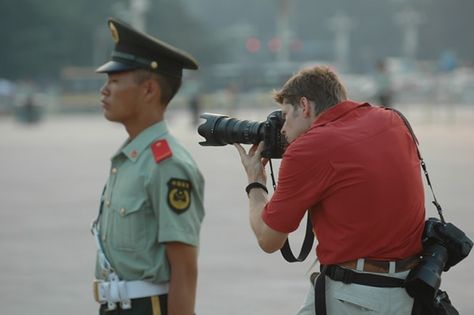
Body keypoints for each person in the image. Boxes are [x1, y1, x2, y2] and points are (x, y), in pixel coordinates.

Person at [234, 66, 425, 315]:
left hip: (355, 297)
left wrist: (255, 182)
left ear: (304, 106)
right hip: (410, 291)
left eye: (285, 115)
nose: (282, 129)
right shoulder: (392, 120)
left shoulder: (310, 148)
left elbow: (269, 239)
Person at [91, 18, 205, 315]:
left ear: (149, 90)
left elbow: (184, 268)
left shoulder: (167, 165)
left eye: (115, 81)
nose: (104, 90)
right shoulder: (130, 159)